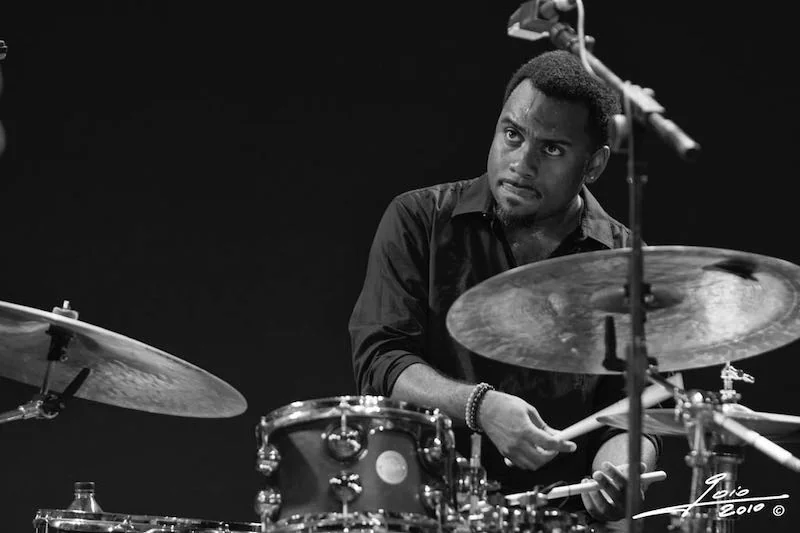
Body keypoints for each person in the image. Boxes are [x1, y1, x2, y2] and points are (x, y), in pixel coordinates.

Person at [349, 50, 663, 531]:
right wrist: (480, 407)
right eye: (512, 135)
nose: (521, 163)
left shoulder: (624, 259)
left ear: (595, 164)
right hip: (426, 512)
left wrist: (620, 470)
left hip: (562, 518)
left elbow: (633, 406)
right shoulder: (418, 219)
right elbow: (381, 360)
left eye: (553, 149)